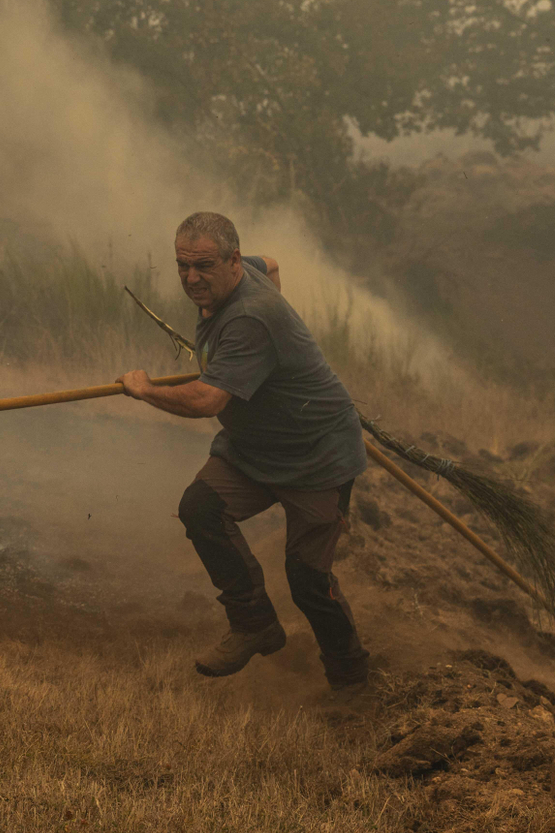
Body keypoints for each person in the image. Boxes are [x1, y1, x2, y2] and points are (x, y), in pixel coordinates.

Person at [117, 211, 370, 691]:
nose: (192, 279)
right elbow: (272, 264)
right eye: (182, 266)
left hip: (318, 458)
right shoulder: (244, 275)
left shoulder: (251, 317)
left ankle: (350, 675)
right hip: (254, 448)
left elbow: (208, 399)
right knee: (201, 508)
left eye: (203, 267)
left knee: (308, 579)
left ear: (232, 260)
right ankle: (255, 624)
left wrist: (146, 390)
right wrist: (280, 354)